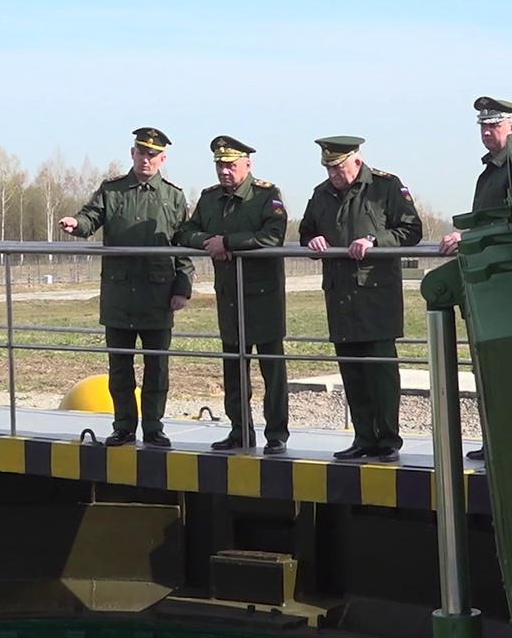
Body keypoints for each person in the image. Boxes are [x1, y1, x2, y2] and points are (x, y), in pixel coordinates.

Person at [59, 127, 194, 447]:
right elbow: (91, 217)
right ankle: (123, 426)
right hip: (119, 295)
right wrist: (76, 224)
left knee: (156, 368)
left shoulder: (173, 197)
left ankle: (153, 427)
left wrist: (182, 287)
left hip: (158, 295)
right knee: (119, 368)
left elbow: (182, 245)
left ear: (162, 159)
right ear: (132, 154)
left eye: (152, 155)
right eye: (140, 152)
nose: (145, 159)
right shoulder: (113, 190)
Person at [299, 136, 423, 463]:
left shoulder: (385, 187)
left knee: (381, 373)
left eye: (338, 167)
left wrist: (374, 240)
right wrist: (314, 240)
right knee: (352, 372)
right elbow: (306, 232)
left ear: (356, 160)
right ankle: (363, 437)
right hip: (340, 296)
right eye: (328, 168)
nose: (333, 174)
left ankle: (388, 440)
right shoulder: (320, 194)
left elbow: (411, 230)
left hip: (376, 295)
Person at [178, 136, 290, 455]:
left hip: (263, 296)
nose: (224, 171)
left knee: (273, 371)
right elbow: (185, 232)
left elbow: (272, 235)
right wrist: (209, 242)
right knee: (233, 370)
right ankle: (240, 431)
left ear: (247, 165)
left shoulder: (267, 195)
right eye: (219, 165)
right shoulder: (210, 198)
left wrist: (229, 243)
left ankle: (277, 434)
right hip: (229, 296)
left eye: (230, 165)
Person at [438, 95, 512, 462]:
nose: (488, 132)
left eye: (495, 125)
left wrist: (467, 238)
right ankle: (496, 441)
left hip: (511, 284)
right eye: (484, 127)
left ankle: (511, 443)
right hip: (489, 283)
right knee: (489, 368)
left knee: (511, 370)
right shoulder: (490, 170)